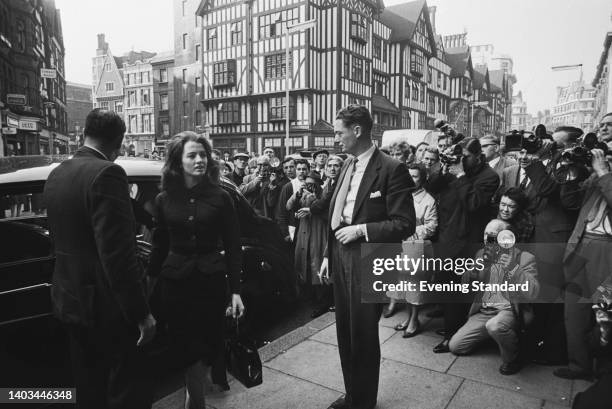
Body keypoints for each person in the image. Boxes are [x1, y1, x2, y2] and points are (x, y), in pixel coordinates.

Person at [43, 109, 156, 409]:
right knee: (125, 391)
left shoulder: (58, 173)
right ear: (117, 144)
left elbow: (67, 237)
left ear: (84, 134)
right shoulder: (108, 173)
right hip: (105, 308)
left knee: (88, 387)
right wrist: (141, 314)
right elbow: (117, 257)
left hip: (69, 298)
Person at [319, 105, 415, 409]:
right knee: (345, 332)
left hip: (368, 259)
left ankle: (364, 402)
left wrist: (361, 230)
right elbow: (335, 213)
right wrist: (327, 254)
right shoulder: (347, 165)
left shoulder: (391, 168)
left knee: (362, 335)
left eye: (339, 132)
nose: (336, 139)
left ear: (357, 130)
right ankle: (352, 395)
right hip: (340, 252)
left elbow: (404, 224)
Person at [147, 132, 245, 408]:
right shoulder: (164, 199)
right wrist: (148, 288)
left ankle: (195, 398)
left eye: (203, 154)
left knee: (205, 349)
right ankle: (196, 399)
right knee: (186, 350)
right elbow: (159, 247)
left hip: (211, 286)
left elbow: (234, 245)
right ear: (178, 161)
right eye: (192, 155)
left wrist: (236, 291)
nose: (200, 159)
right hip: (175, 288)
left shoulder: (221, 197)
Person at [427, 137, 500, 354]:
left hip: (468, 242)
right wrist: (443, 166)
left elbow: (473, 204)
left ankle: (453, 337)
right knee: (447, 288)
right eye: (461, 157)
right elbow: (431, 187)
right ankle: (452, 327)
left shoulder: (489, 177)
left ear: (479, 157)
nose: (463, 161)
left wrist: (459, 174)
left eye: (466, 157)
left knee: (461, 291)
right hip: (447, 238)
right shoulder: (456, 170)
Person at [449, 219, 539, 375]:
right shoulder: (481, 254)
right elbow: (467, 285)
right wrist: (471, 273)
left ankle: (513, 359)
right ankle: (497, 338)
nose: (486, 239)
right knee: (456, 347)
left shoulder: (525, 258)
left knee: (495, 326)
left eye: (491, 236)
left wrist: (513, 268)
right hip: (485, 312)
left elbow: (534, 292)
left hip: (510, 311)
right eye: (485, 234)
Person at [555, 148, 612, 380]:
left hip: (607, 249)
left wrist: (604, 173)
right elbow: (570, 202)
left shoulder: (603, 174)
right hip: (580, 244)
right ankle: (579, 365)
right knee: (574, 311)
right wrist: (572, 172)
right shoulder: (595, 176)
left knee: (605, 313)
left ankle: (604, 371)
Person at [387, 163, 438, 337]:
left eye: (415, 176)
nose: (411, 179)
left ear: (423, 179)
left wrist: (408, 228)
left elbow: (432, 227)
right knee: (404, 283)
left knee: (415, 286)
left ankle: (415, 320)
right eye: (409, 176)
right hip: (400, 244)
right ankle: (409, 318)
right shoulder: (401, 196)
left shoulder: (428, 200)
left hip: (416, 245)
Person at [288, 171, 330, 317]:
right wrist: (297, 194)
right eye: (308, 184)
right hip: (304, 235)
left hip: (319, 234)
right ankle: (311, 298)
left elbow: (326, 212)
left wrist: (311, 209)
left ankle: (322, 301)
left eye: (313, 184)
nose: (310, 187)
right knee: (305, 266)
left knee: (317, 267)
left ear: (318, 184)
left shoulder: (324, 196)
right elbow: (289, 206)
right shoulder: (302, 194)